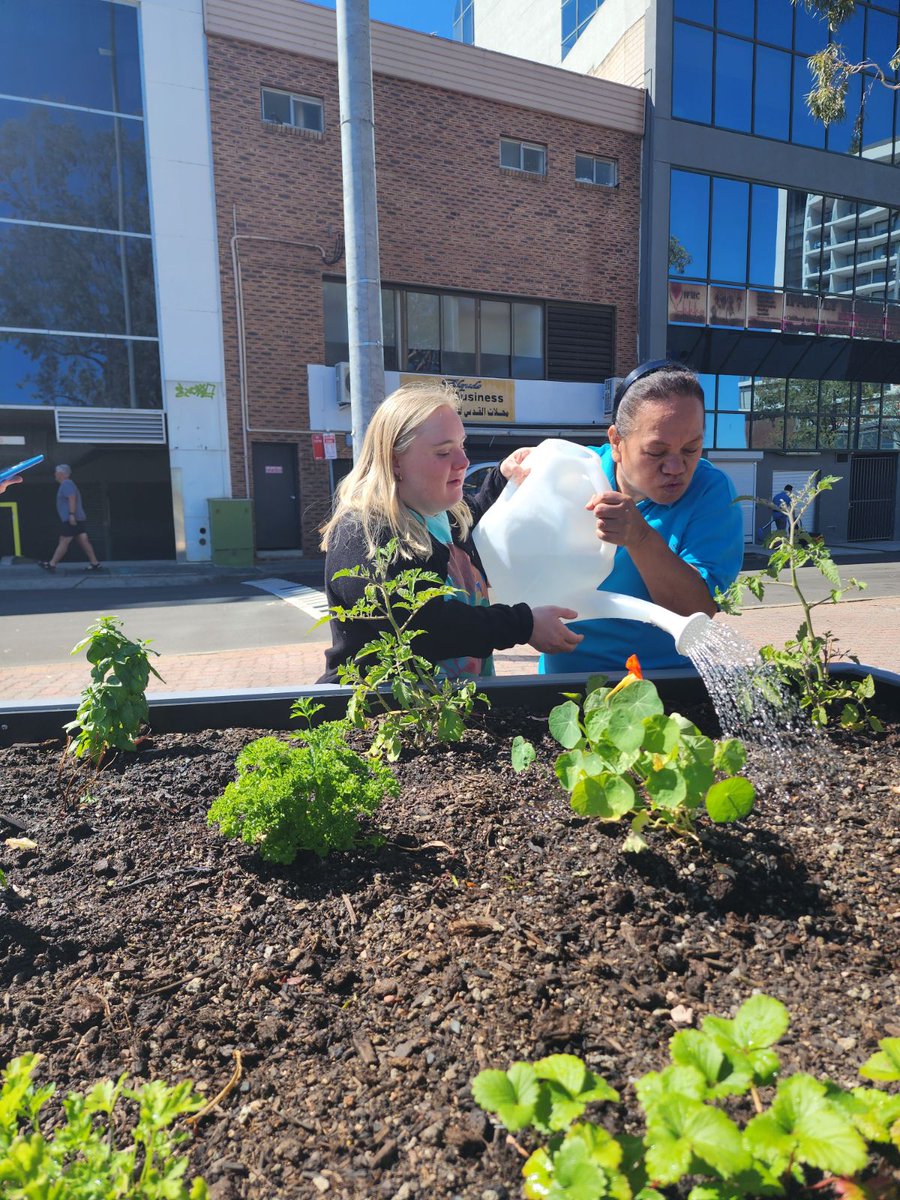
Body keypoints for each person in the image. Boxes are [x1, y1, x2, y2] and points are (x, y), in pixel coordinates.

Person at [319, 383, 583, 682]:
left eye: (462, 445)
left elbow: (477, 514)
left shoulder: (442, 515)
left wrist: (502, 477)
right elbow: (425, 627)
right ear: (394, 460)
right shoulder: (363, 532)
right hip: (384, 716)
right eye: (444, 452)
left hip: (452, 713)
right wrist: (524, 625)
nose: (463, 462)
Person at [541, 360, 744, 675]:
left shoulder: (711, 491)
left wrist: (640, 538)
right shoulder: (573, 473)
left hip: (664, 680)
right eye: (656, 453)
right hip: (567, 676)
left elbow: (697, 611)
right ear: (617, 443)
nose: (676, 468)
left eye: (691, 449)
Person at [39, 464, 101, 572]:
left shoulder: (66, 484)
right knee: (83, 541)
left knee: (64, 540)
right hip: (77, 518)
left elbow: (72, 498)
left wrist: (71, 515)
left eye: (56, 472)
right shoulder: (68, 484)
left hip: (71, 519)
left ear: (61, 474)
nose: (55, 474)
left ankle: (52, 564)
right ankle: (95, 563)